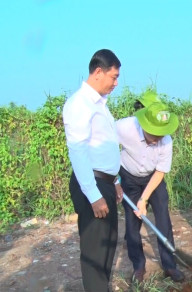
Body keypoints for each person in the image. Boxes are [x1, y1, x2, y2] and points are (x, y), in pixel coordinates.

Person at [63, 49, 122, 291]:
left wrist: (116, 180)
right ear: (98, 72)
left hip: (105, 183)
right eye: (114, 77)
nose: (116, 83)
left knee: (107, 247)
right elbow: (78, 152)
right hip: (92, 186)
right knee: (95, 254)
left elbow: (104, 149)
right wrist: (94, 195)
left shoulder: (100, 105)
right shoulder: (79, 104)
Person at [116, 102, 185, 282]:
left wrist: (144, 199)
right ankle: (138, 266)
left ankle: (170, 265)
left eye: (160, 134)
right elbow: (104, 146)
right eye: (153, 133)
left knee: (163, 217)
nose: (157, 138)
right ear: (144, 124)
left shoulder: (166, 141)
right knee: (132, 223)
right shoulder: (124, 128)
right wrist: (114, 179)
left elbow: (161, 171)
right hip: (128, 176)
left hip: (153, 177)